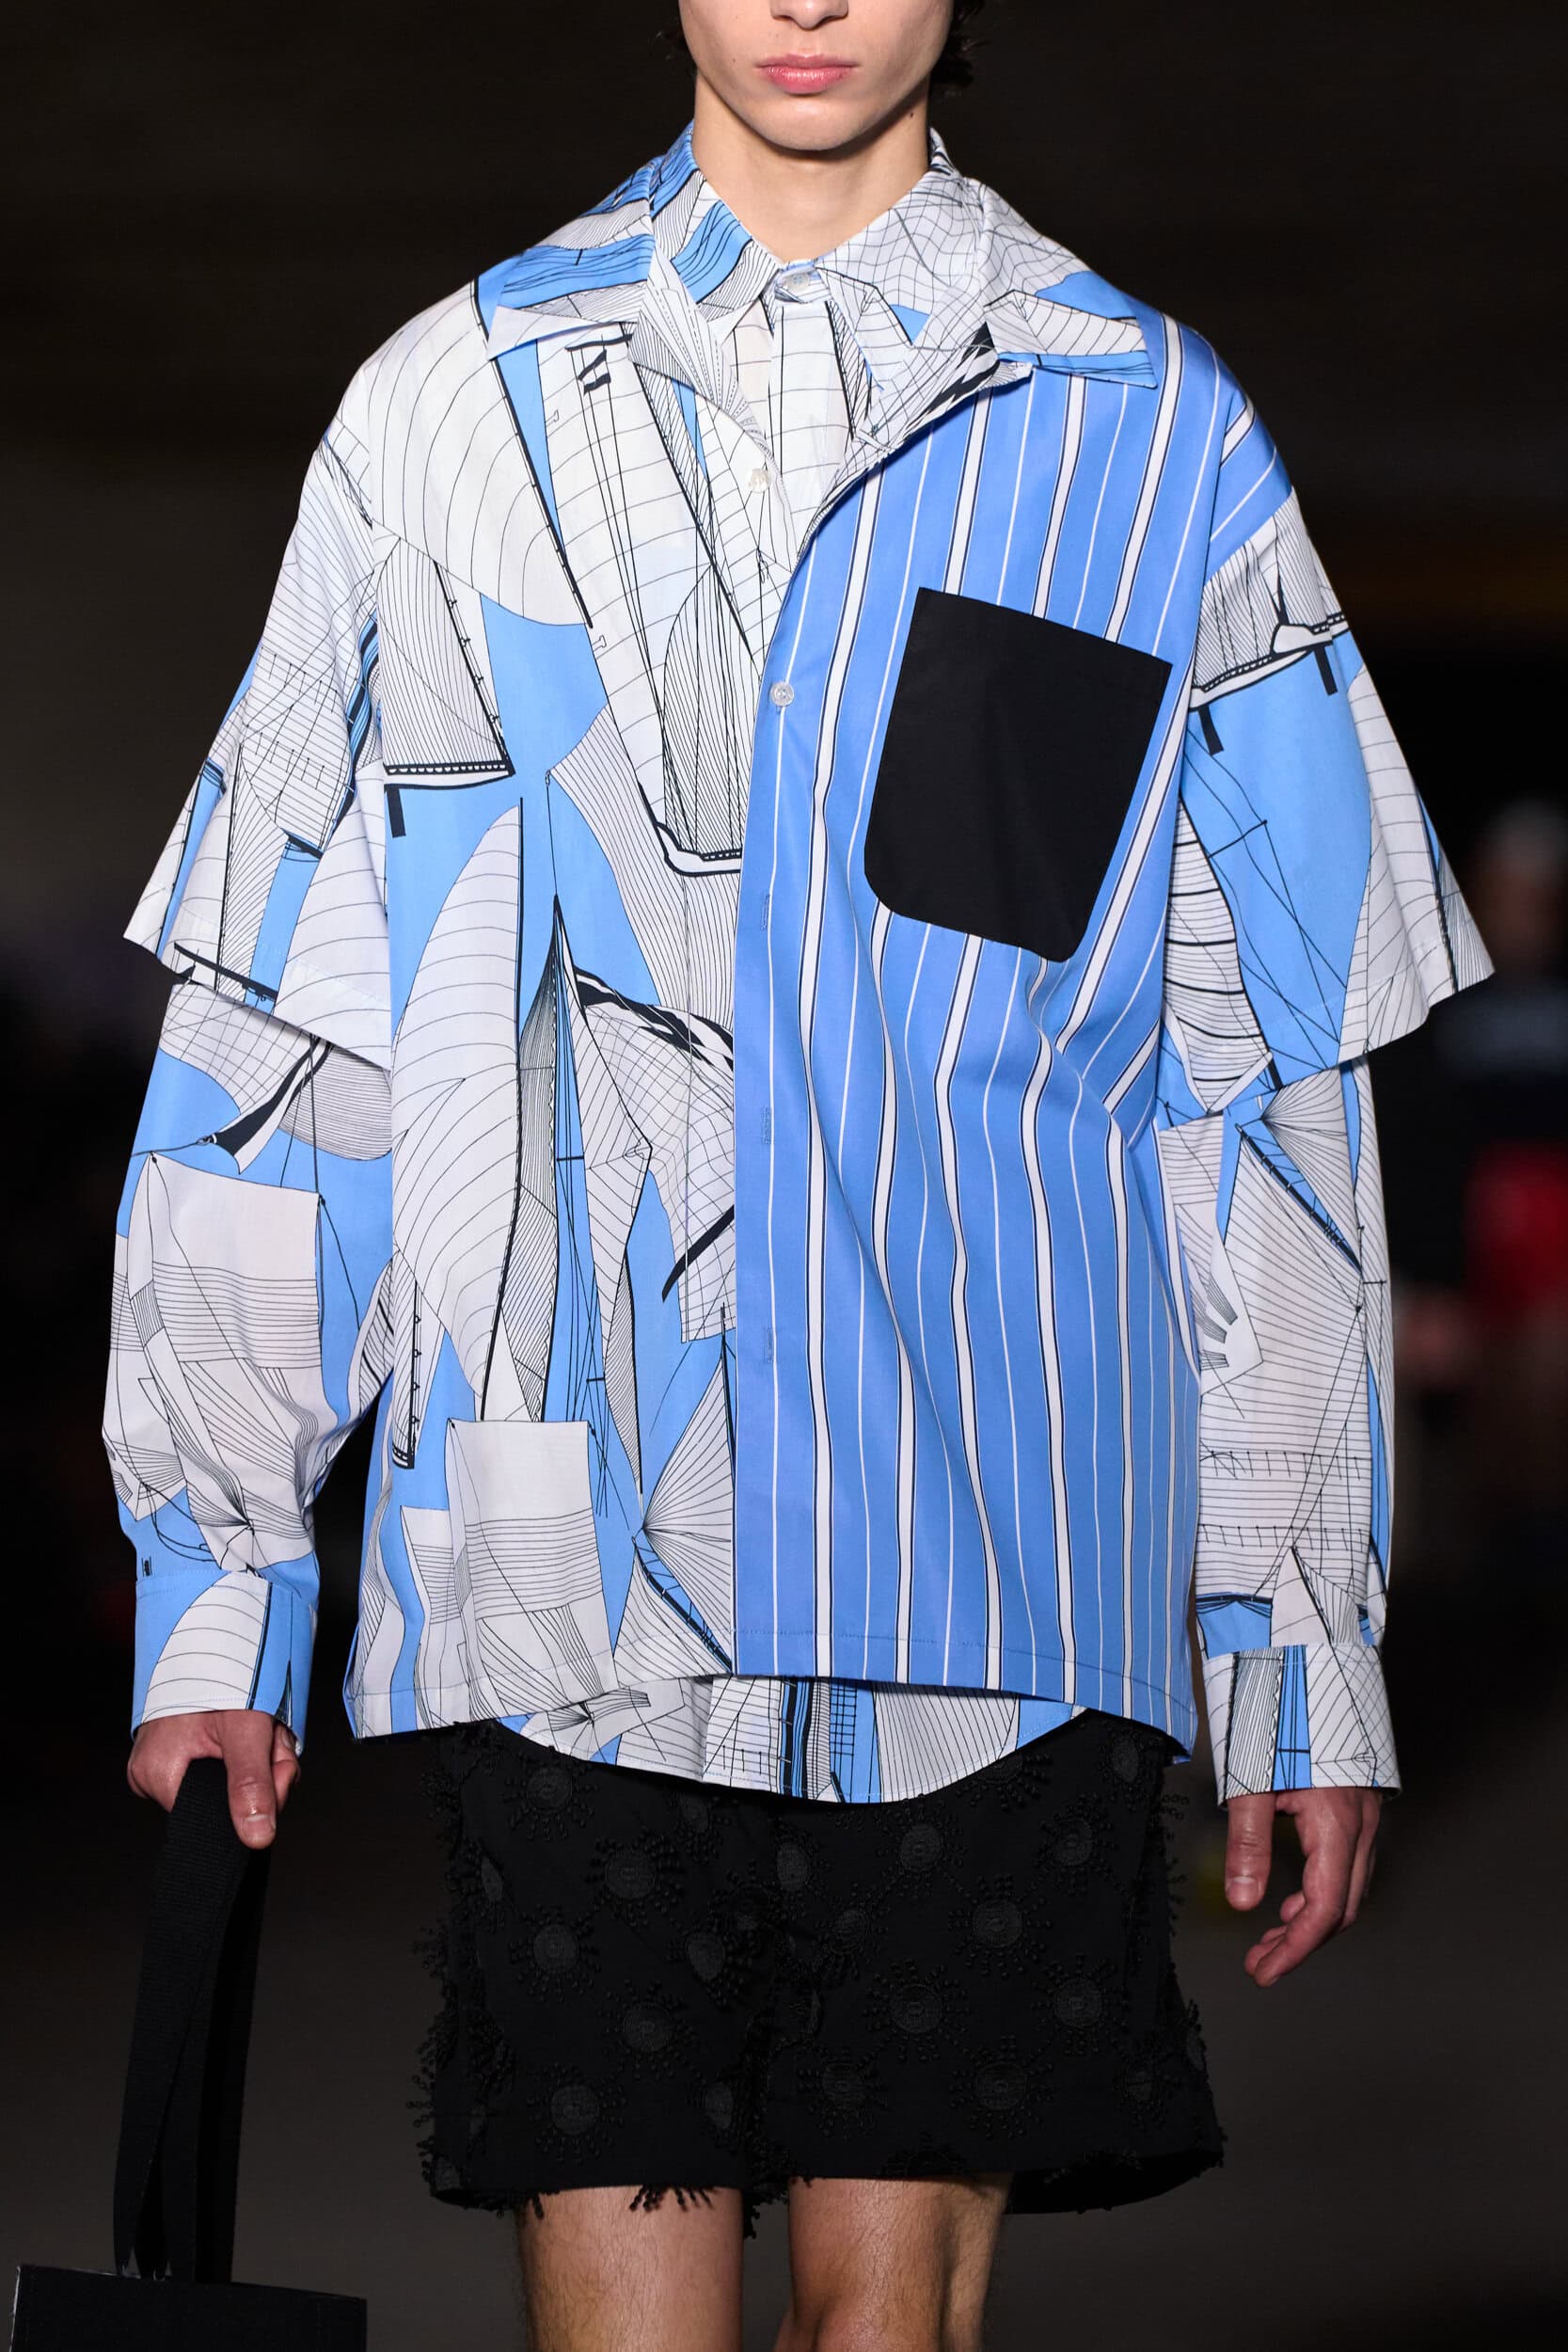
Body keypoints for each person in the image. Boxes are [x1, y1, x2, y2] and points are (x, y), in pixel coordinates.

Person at [105, 2, 1493, 2345]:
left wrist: (1296, 1641)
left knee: (891, 2328)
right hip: (570, 1558)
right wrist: (218, 1570)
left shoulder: (1149, 430)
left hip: (1000, 1554)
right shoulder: (454, 407)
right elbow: (293, 1015)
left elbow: (1259, 1088)